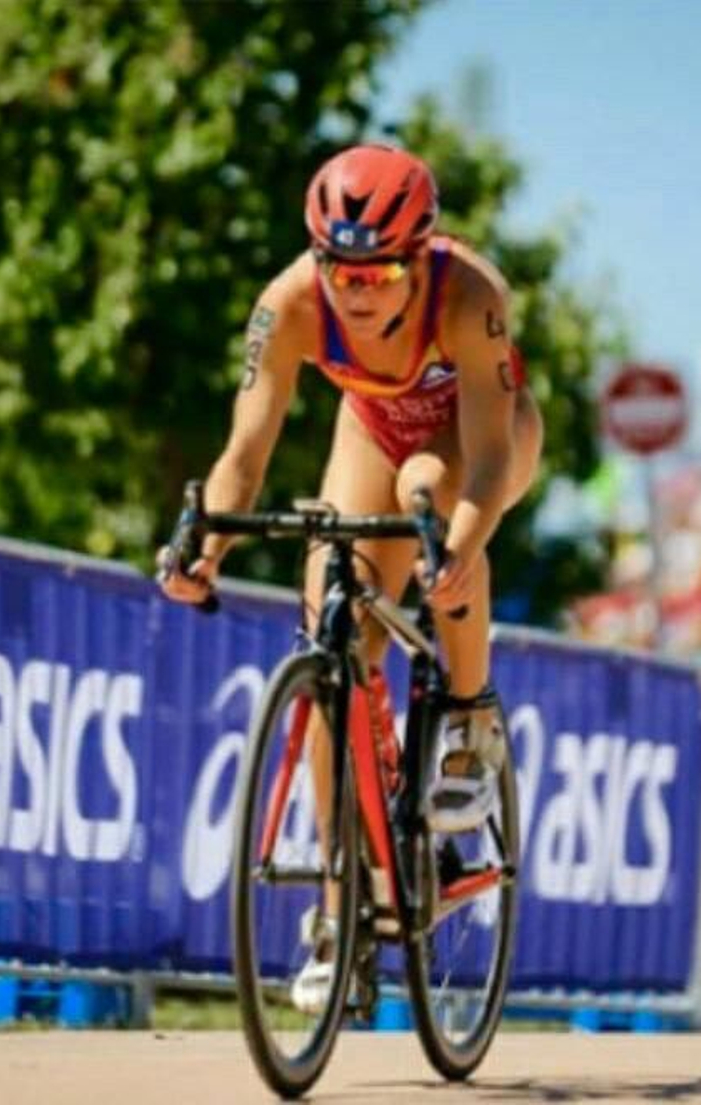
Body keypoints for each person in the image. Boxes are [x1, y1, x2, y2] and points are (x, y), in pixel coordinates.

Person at [157, 144, 543, 1008]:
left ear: (419, 258)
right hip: (370, 430)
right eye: (341, 269)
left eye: (379, 272)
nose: (357, 290)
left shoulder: (471, 294)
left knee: (432, 498)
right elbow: (243, 454)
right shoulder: (288, 303)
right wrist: (205, 550)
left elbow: (484, 460)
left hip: (478, 444)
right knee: (327, 622)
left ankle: (470, 718)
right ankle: (340, 913)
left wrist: (458, 552)